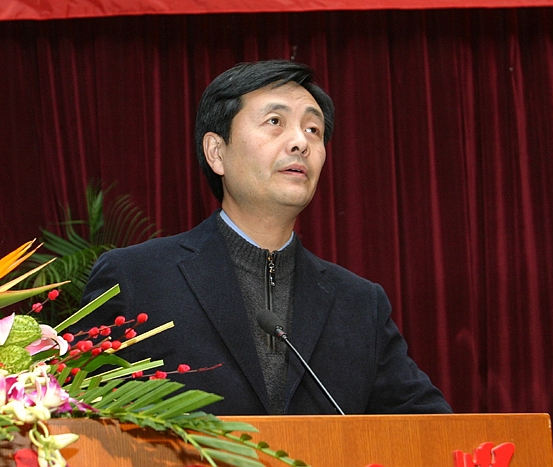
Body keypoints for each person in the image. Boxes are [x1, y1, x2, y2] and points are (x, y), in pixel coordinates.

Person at [79, 60, 452, 415]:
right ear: (216, 152)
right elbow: (77, 417)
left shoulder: (359, 304)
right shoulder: (136, 280)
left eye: (313, 129)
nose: (300, 142)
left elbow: (431, 428)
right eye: (275, 122)